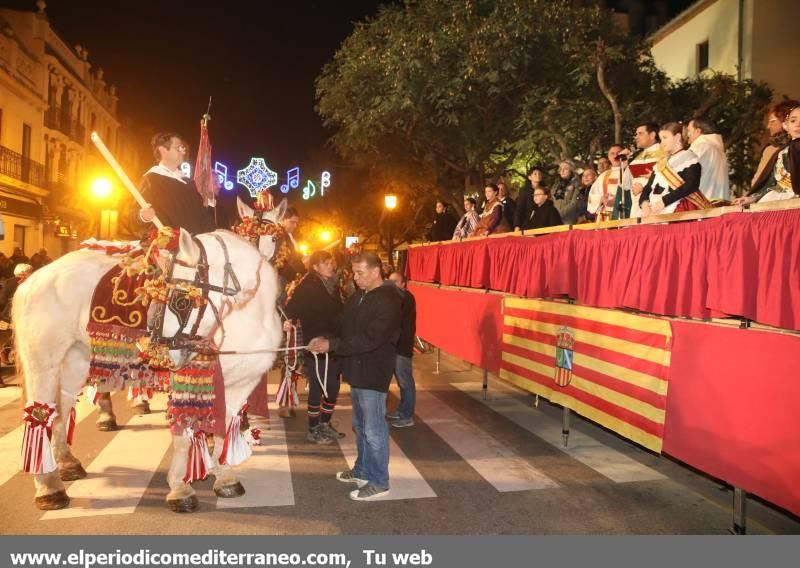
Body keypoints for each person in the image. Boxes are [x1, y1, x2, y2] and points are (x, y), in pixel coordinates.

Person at [307, 253, 402, 501]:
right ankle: (362, 469)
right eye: (354, 272)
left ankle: (379, 481)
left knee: (373, 429)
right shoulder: (360, 296)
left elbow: (371, 338)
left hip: (373, 371)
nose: (355, 277)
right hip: (357, 370)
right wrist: (323, 337)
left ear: (375, 272)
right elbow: (342, 323)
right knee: (360, 426)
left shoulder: (389, 300)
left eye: (360, 273)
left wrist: (333, 345)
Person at [284, 250, 345, 444]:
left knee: (333, 386)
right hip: (316, 343)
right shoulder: (307, 286)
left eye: (331, 262)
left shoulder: (334, 285)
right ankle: (313, 428)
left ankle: (325, 424)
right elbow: (291, 309)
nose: (331, 266)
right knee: (318, 386)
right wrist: (287, 321)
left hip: (334, 343)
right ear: (316, 267)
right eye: (326, 263)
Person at [137, 132, 216, 235]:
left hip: (195, 247)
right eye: (178, 148)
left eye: (183, 148)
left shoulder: (188, 183)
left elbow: (201, 217)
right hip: (167, 247)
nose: (183, 151)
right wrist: (142, 216)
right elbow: (131, 213)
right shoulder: (151, 179)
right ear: (163, 151)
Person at [639, 122, 713, 216]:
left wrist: (664, 201)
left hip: (679, 209)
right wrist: (644, 203)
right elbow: (648, 187)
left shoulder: (690, 159)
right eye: (661, 139)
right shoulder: (661, 163)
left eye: (665, 138)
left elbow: (691, 186)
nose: (662, 143)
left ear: (677, 137)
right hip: (654, 210)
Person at [734, 105, 800, 206]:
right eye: (793, 121)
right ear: (785, 126)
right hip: (780, 198)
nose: (798, 124)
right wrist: (752, 198)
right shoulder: (781, 152)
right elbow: (771, 183)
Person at [748, 99, 800, 198]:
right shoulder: (779, 152)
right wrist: (753, 197)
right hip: (777, 197)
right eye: (793, 121)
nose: (768, 126)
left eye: (772, 121)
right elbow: (769, 181)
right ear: (786, 124)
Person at [386, 271, 416, 428]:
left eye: (395, 281)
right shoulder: (396, 297)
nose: (392, 284)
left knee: (405, 382)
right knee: (401, 382)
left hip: (402, 347)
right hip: (394, 346)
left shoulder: (406, 298)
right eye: (389, 280)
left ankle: (407, 415)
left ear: (404, 284)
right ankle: (402, 410)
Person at [625, 122, 667, 218]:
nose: (636, 137)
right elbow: (625, 185)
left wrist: (644, 187)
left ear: (652, 135)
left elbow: (669, 180)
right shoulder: (636, 159)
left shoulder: (665, 154)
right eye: (636, 134)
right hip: (636, 208)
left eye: (640, 133)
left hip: (656, 206)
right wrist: (624, 164)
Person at [686, 118, 731, 202]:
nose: (687, 134)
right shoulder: (717, 148)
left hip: (701, 205)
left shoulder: (700, 146)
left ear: (698, 131)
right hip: (717, 204)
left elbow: (681, 172)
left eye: (689, 130)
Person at [587, 145, 633, 221]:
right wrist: (601, 199)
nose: (615, 156)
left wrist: (617, 199)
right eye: (612, 153)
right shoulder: (603, 176)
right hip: (606, 215)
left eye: (618, 153)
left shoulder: (630, 172)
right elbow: (593, 195)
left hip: (625, 213)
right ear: (608, 157)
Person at [514, 166, 547, 230]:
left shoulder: (545, 189)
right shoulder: (525, 190)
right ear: (529, 177)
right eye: (535, 174)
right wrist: (517, 225)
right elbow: (519, 208)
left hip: (543, 220)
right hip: (528, 222)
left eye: (539, 174)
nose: (538, 175)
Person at [550, 160, 580, 225]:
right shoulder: (555, 185)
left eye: (565, 168)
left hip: (569, 220)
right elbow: (552, 201)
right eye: (560, 169)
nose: (562, 171)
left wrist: (559, 214)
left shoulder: (577, 183)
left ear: (571, 170)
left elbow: (574, 203)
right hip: (554, 220)